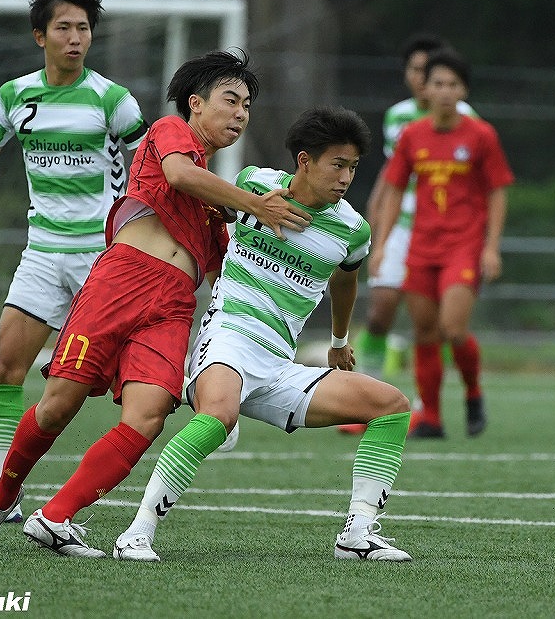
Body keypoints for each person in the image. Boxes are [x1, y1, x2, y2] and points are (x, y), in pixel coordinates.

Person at [0, 49, 312, 555]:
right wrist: (256, 203)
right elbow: (178, 176)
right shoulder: (172, 132)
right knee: (59, 405)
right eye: (231, 101)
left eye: (248, 106)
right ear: (196, 103)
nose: (241, 114)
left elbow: (224, 276)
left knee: (148, 417)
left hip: (173, 307)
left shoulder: (219, 202)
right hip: (120, 282)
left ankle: (55, 517)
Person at [112, 106, 413, 563]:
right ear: (305, 161)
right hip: (227, 336)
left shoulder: (352, 230)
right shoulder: (254, 184)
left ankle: (358, 534)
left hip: (278, 364)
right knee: (219, 416)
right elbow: (195, 198)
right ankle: (136, 533)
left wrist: (337, 342)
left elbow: (346, 279)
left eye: (353, 167)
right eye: (337, 164)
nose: (346, 177)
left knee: (391, 406)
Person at [0, 0, 148, 524]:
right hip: (43, 254)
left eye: (85, 28)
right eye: (65, 27)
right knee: (5, 369)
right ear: (39, 35)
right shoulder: (13, 97)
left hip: (103, 259)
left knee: (123, 383)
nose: (76, 37)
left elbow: (151, 174)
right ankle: (1, 494)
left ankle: (212, 396)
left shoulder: (112, 102)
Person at [371, 48, 514, 439]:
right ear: (426, 88)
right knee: (425, 332)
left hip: (463, 245)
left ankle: (473, 392)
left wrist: (491, 247)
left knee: (453, 328)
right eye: (438, 83)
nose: (446, 91)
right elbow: (395, 190)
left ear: (464, 90)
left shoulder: (481, 135)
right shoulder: (412, 136)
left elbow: (498, 190)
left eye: (453, 84)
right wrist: (381, 245)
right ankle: (432, 417)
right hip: (421, 244)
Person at [339, 33, 477, 435]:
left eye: (430, 73)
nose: (422, 79)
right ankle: (364, 401)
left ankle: (423, 405)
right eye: (416, 71)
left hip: (444, 235)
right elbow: (394, 171)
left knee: (432, 325)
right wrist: (377, 218)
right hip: (401, 228)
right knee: (380, 311)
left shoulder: (467, 119)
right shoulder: (398, 116)